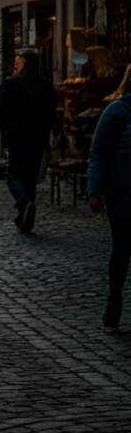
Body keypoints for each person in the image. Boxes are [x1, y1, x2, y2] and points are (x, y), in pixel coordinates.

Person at [0, 48, 57, 234]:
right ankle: (25, 218)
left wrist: (4, 128)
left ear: (24, 62)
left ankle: (25, 203)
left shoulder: (11, 83)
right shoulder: (46, 85)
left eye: (18, 61)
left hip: (17, 135)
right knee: (29, 176)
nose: (15, 64)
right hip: (38, 136)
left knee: (14, 174)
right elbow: (51, 111)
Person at [88, 65, 131, 330]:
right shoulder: (116, 111)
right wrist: (96, 189)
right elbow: (99, 152)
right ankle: (114, 300)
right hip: (123, 195)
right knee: (122, 251)